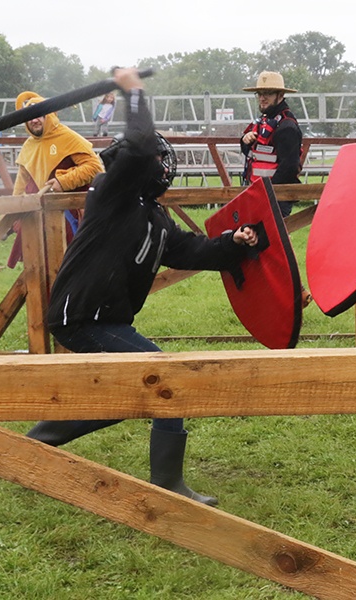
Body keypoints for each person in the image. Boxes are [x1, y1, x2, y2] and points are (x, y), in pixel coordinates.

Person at [25, 68, 259, 506]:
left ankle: (39, 439)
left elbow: (193, 251)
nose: (157, 163)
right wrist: (134, 93)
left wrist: (233, 244)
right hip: (82, 315)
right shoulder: (109, 194)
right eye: (153, 160)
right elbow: (139, 144)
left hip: (100, 317)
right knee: (163, 376)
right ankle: (167, 484)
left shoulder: (150, 216)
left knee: (131, 391)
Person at [7, 89, 104, 267]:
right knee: (38, 269)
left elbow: (94, 167)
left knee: (71, 266)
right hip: (36, 218)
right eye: (30, 116)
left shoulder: (67, 137)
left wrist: (63, 181)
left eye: (39, 115)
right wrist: (15, 213)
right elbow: (21, 184)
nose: (34, 120)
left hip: (68, 216)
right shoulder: (28, 146)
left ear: (48, 116)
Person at [240, 71, 302, 218]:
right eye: (259, 93)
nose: (262, 98)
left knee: (272, 240)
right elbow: (253, 154)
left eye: (267, 93)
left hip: (275, 197)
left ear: (280, 95)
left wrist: (266, 193)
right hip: (261, 192)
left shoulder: (286, 126)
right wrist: (246, 141)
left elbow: (289, 167)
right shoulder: (264, 120)